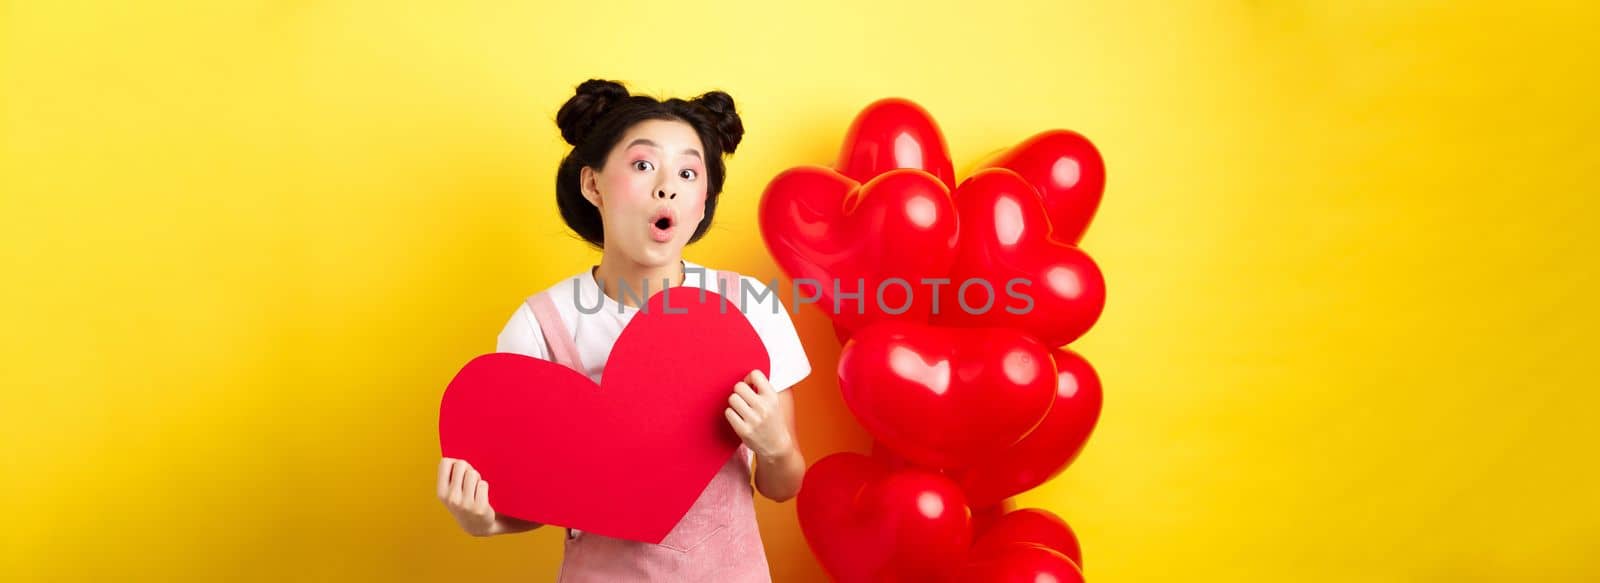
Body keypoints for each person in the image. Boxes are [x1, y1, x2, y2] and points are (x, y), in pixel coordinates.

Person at [435, 79, 811, 582]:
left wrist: (774, 445)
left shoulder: (749, 307)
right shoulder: (542, 326)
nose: (666, 185)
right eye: (642, 165)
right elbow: (537, 497)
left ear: (703, 200)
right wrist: (487, 520)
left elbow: (784, 484)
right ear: (593, 185)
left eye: (687, 171)